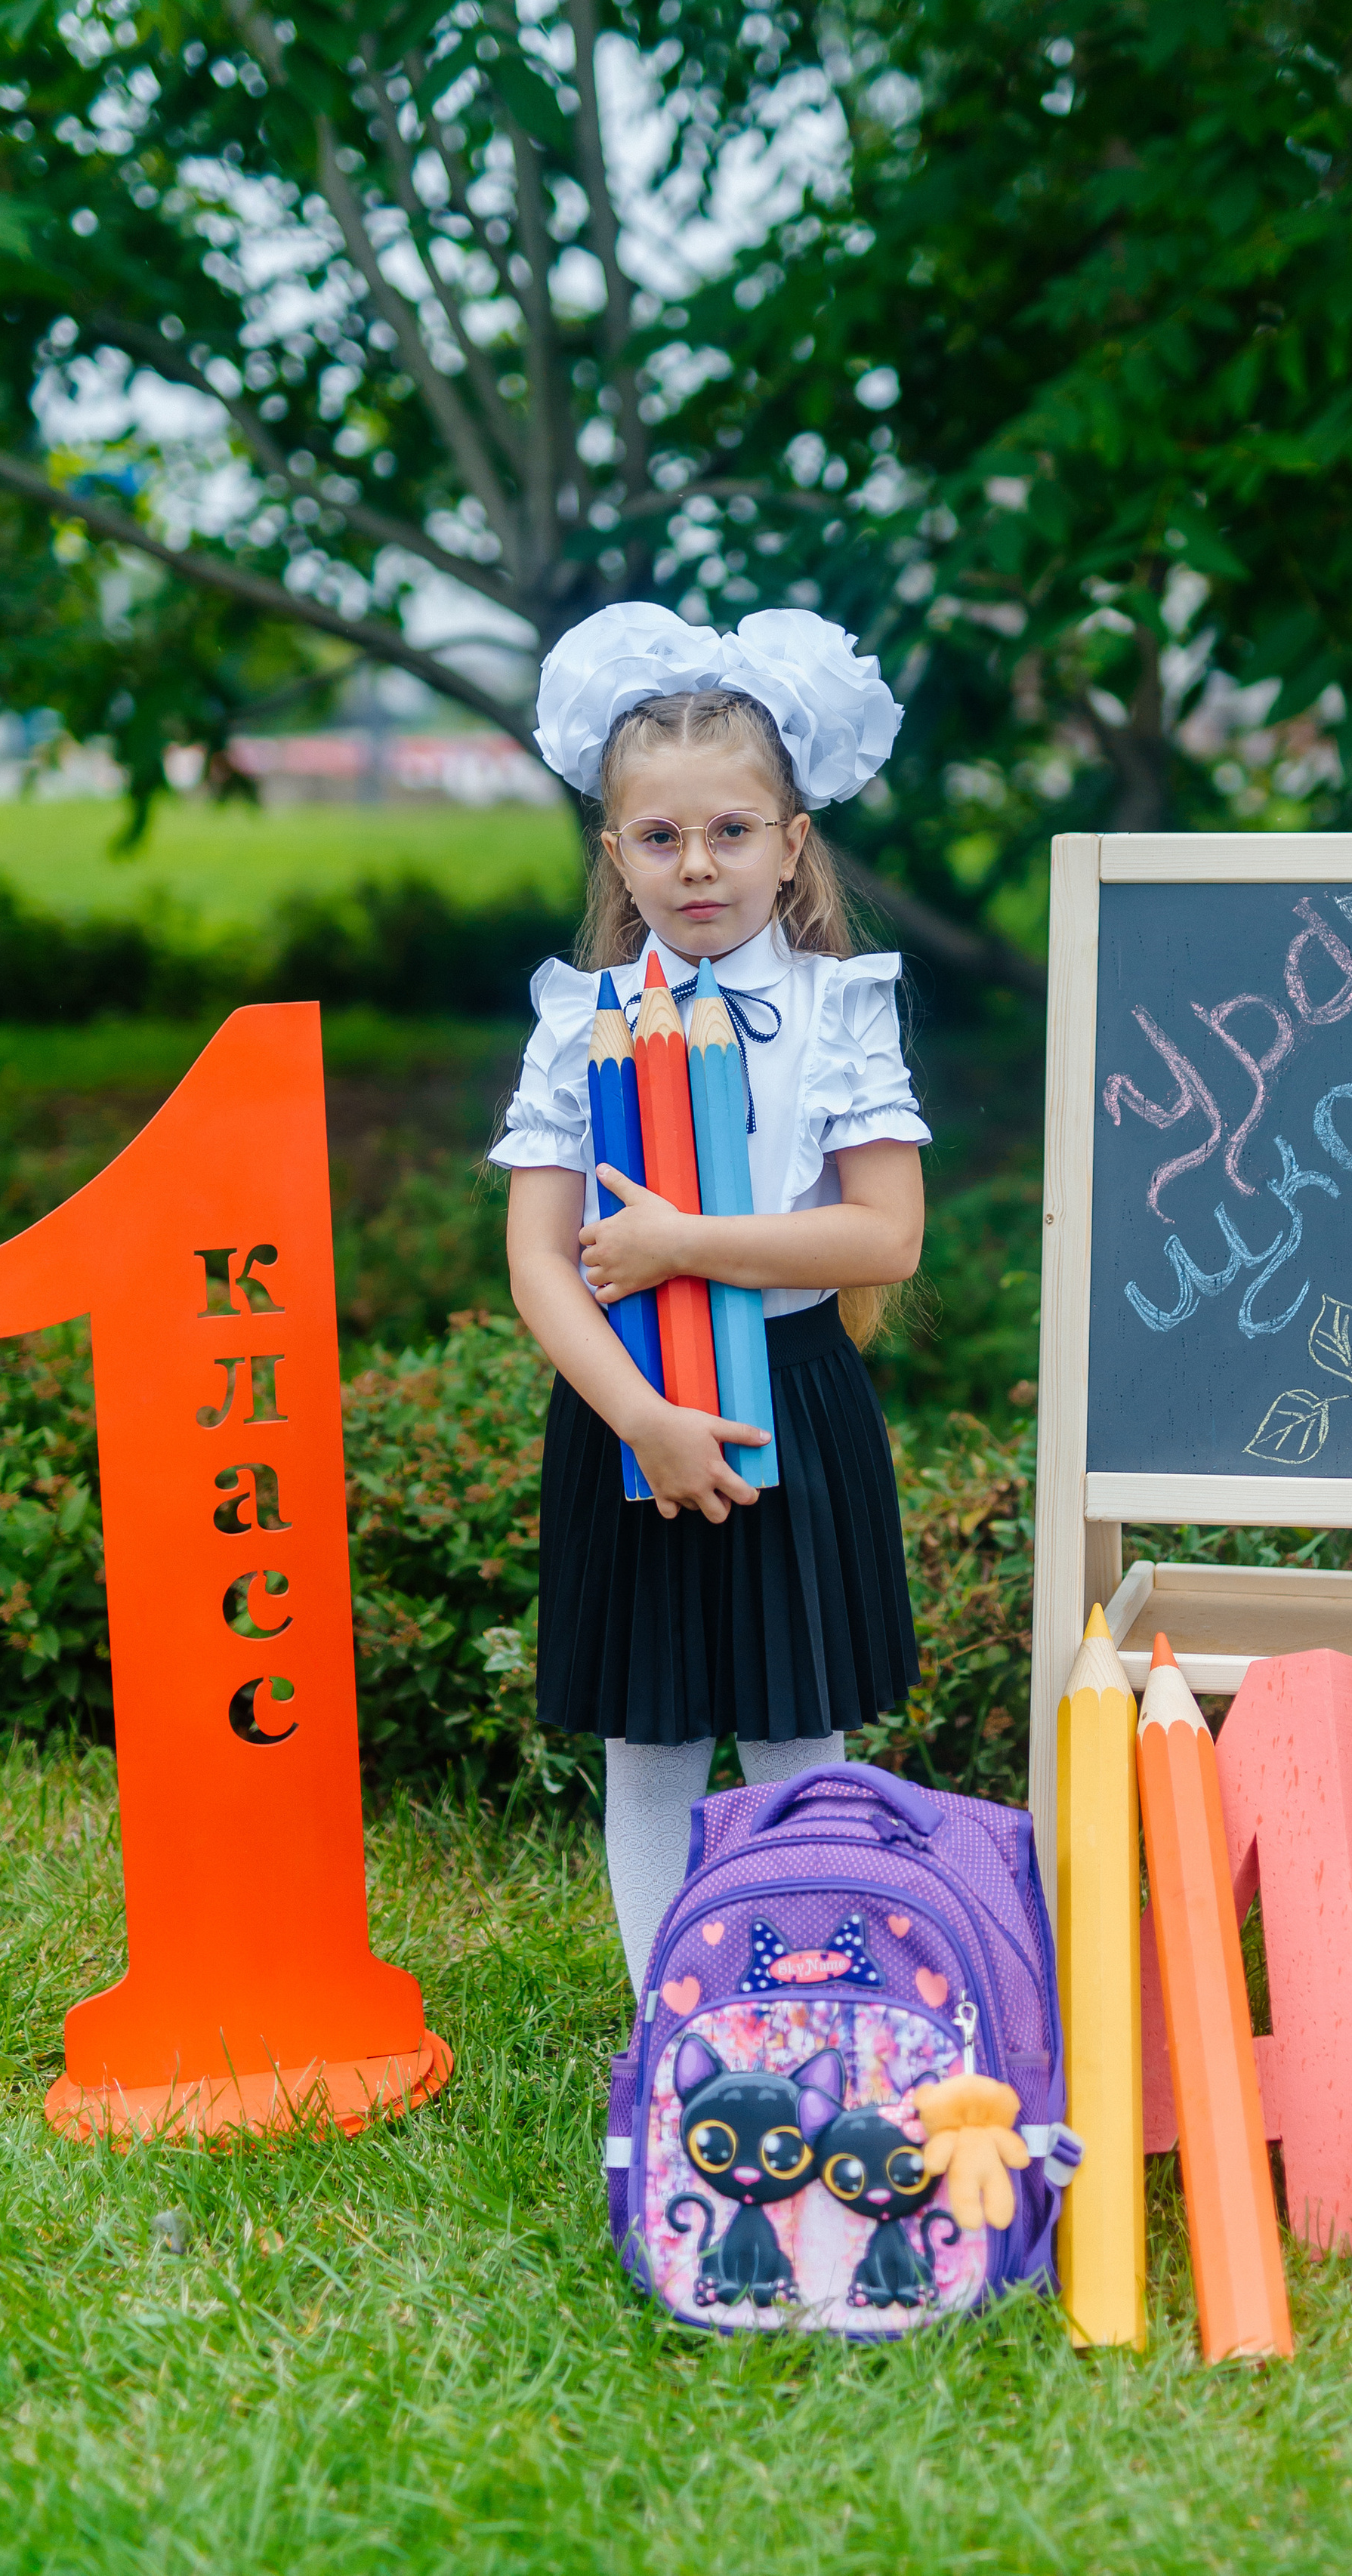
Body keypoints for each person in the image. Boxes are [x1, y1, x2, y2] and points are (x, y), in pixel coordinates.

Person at [494, 603, 929, 1994]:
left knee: (803, 1723)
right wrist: (641, 1419)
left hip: (794, 1398)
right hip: (627, 1407)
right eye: (664, 836)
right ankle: (666, 2017)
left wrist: (687, 1242)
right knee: (655, 1736)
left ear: (794, 839)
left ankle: (818, 1991)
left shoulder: (839, 1007)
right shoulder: (583, 1017)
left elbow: (887, 1237)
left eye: (734, 830)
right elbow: (539, 1258)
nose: (700, 864)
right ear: (615, 849)